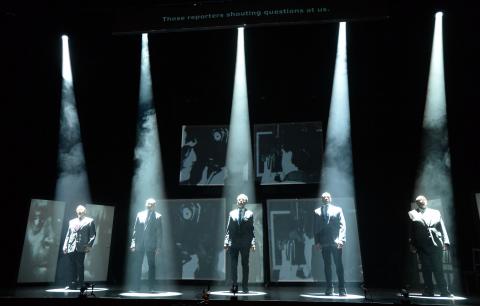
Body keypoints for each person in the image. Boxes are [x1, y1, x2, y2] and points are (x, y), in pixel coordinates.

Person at [408, 195, 452, 297]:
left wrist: (446, 242)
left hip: (436, 244)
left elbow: (442, 226)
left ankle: (444, 291)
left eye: (423, 200)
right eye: (419, 201)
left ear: (426, 201)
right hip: (422, 246)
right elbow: (411, 231)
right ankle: (429, 290)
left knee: (438, 268)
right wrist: (412, 244)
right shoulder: (412, 213)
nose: (421, 202)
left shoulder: (435, 212)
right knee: (426, 269)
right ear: (416, 203)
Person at [313, 192, 346, 296]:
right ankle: (329, 288)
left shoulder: (338, 209)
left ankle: (342, 288)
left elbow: (342, 226)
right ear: (321, 199)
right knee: (327, 266)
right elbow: (315, 228)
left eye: (327, 197)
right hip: (324, 243)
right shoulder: (317, 211)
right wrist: (317, 242)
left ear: (330, 198)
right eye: (323, 197)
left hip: (336, 242)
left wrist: (341, 240)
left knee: (339, 265)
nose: (326, 198)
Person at [224, 194, 256, 293]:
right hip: (233, 243)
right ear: (237, 201)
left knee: (245, 265)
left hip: (245, 243)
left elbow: (251, 229)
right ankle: (234, 285)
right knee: (233, 265)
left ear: (246, 202)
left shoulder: (250, 213)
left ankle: (245, 286)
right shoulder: (232, 213)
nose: (241, 201)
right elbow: (228, 229)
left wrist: (253, 243)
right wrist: (226, 242)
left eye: (243, 200)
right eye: (239, 199)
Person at [130, 198, 162, 291]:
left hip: (151, 245)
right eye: (148, 204)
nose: (149, 205)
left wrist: (158, 247)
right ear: (146, 204)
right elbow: (135, 230)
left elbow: (159, 233)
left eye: (152, 204)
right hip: (139, 244)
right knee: (137, 266)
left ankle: (151, 287)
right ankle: (136, 287)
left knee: (151, 265)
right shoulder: (139, 214)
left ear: (154, 206)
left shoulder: (158, 216)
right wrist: (132, 244)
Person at [63, 204, 96, 289]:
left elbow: (93, 235)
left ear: (85, 212)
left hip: (81, 247)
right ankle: (72, 284)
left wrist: (89, 246)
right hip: (71, 246)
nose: (80, 211)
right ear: (76, 211)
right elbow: (68, 234)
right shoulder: (72, 221)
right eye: (78, 210)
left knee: (80, 266)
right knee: (71, 266)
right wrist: (65, 246)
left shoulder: (90, 221)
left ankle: (81, 284)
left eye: (82, 210)